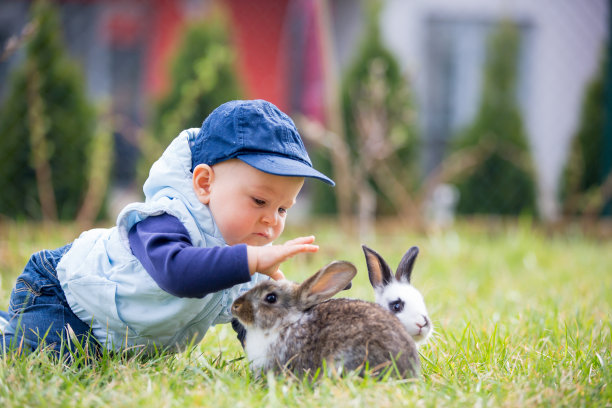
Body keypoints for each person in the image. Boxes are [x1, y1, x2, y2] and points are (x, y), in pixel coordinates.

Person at [0, 99, 334, 357]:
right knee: (55, 352)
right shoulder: (167, 218)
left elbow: (255, 322)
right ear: (204, 184)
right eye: (260, 202)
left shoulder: (248, 261)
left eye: (283, 209)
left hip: (114, 336)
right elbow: (178, 273)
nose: (272, 219)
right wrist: (250, 261)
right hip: (63, 298)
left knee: (98, 357)